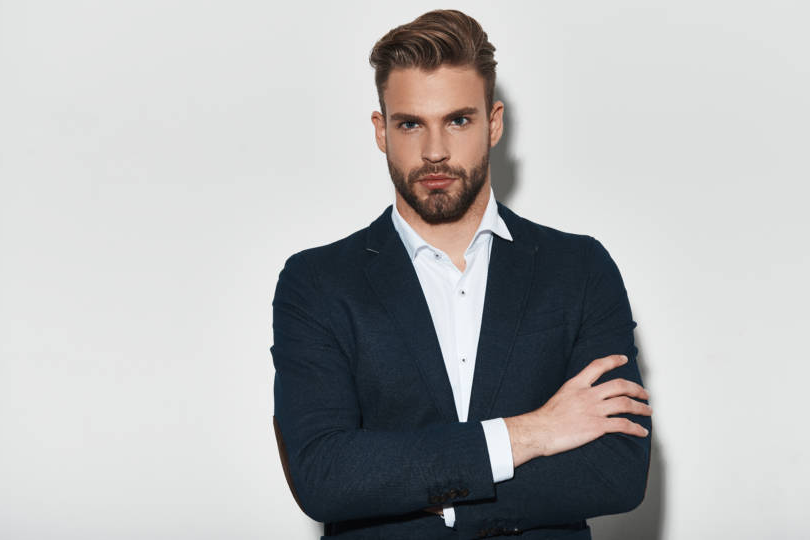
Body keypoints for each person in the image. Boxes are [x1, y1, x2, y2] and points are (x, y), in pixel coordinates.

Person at [271, 9, 652, 539]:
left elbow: (616, 471)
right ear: (381, 131)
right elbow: (325, 475)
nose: (434, 152)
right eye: (410, 124)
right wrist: (531, 432)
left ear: (493, 124)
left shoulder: (579, 269)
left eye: (458, 120)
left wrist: (438, 499)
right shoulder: (317, 282)